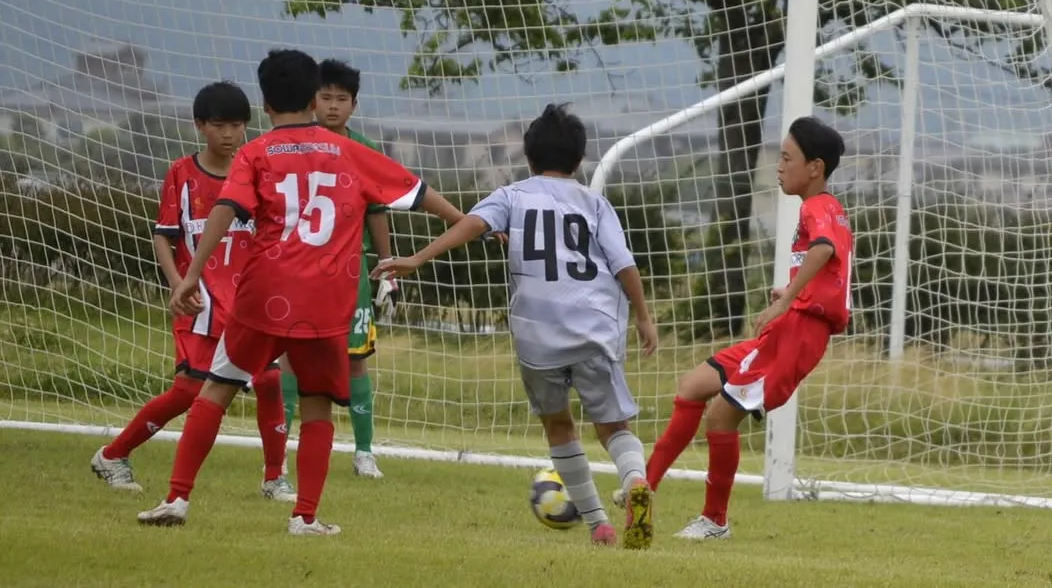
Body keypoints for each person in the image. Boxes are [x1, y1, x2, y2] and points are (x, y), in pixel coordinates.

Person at [136, 49, 467, 535]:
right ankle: (305, 516)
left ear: (265, 105)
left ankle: (177, 498)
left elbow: (226, 208)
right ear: (314, 100)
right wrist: (468, 221)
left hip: (263, 293)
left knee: (217, 388)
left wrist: (192, 275)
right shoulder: (348, 150)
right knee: (316, 404)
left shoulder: (255, 152)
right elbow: (417, 193)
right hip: (325, 300)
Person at [374, 104, 659, 550]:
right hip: (593, 330)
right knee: (613, 426)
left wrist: (417, 258)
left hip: (537, 335)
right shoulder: (596, 204)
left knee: (558, 426)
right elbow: (624, 265)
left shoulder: (512, 196)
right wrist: (642, 315)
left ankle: (599, 526)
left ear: (528, 157)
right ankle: (635, 479)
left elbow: (472, 225)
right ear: (580, 159)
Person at [641, 115, 851, 541]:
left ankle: (714, 521)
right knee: (693, 386)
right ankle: (642, 489)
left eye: (787, 158)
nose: (779, 165)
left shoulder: (819, 207)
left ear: (815, 167)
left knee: (720, 416)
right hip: (791, 326)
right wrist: (791, 293)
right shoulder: (823, 208)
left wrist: (789, 300)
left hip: (797, 335)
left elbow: (825, 248)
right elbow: (831, 269)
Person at [91, 81, 294, 503]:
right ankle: (112, 455)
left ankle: (275, 478)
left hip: (250, 302)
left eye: (237, 125)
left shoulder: (257, 171)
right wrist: (177, 284)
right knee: (187, 392)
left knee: (270, 381)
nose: (229, 134)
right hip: (200, 304)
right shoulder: (182, 173)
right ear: (200, 125)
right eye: (219, 125)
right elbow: (163, 235)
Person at [279, 58, 394, 479]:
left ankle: (364, 452)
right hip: (298, 269)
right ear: (312, 101)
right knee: (290, 358)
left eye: (341, 99)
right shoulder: (295, 145)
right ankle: (279, 452)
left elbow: (377, 211)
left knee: (355, 359)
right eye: (325, 97)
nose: (332, 106)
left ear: (354, 105)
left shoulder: (364, 150)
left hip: (349, 274)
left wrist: (387, 266)